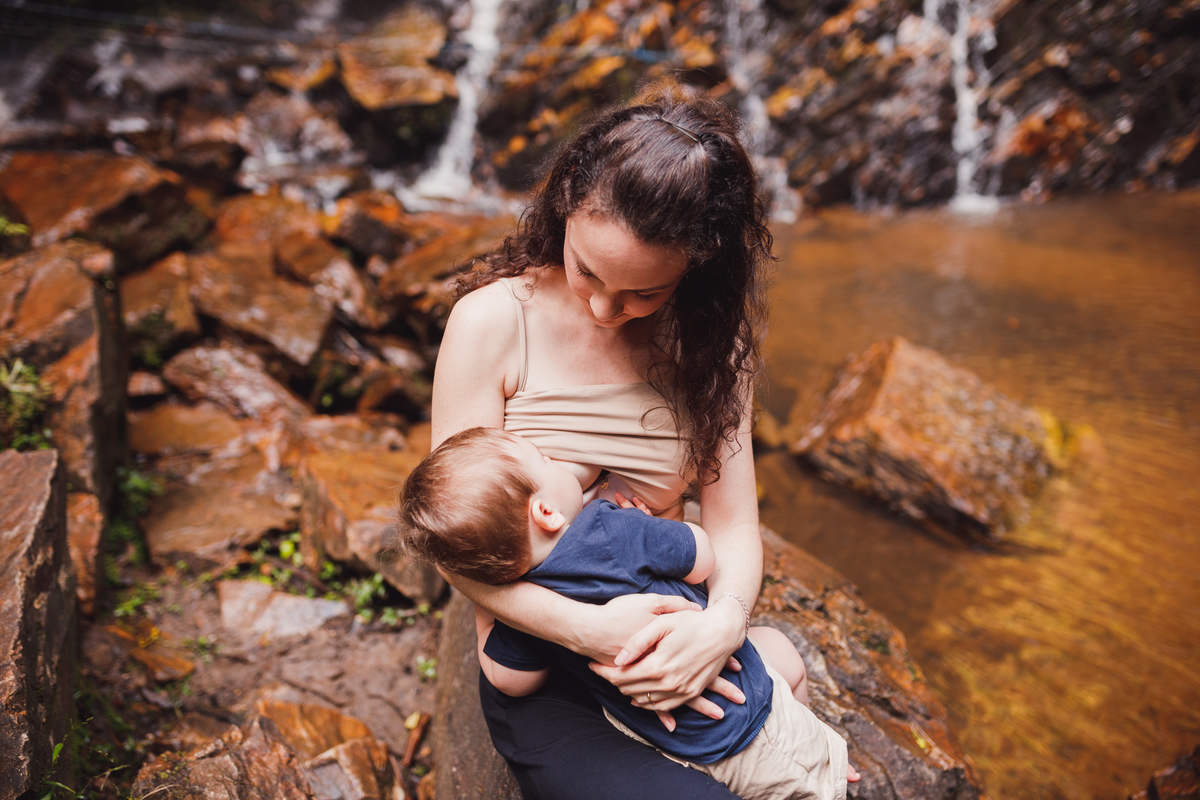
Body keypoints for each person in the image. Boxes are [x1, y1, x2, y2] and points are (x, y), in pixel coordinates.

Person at [430, 77, 775, 799]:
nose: (603, 308)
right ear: (564, 207)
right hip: (546, 666)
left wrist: (722, 628)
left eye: (644, 292)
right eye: (586, 270)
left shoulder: (711, 348)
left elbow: (734, 525)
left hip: (675, 637)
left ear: (698, 264)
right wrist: (587, 631)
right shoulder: (493, 323)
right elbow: (452, 542)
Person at [397, 426, 854, 800]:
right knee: (782, 656)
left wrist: (498, 614)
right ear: (546, 511)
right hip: (743, 721)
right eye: (546, 460)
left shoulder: (527, 606)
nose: (558, 462)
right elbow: (702, 557)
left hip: (673, 744)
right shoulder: (610, 528)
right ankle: (817, 753)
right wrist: (646, 527)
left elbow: (510, 680)